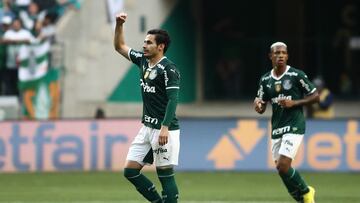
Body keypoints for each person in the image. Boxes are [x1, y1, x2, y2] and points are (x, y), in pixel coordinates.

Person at [114, 12, 180, 203]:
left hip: (164, 129)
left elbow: (173, 100)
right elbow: (119, 46)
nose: (144, 45)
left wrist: (165, 127)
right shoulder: (143, 61)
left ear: (161, 46)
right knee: (130, 170)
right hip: (147, 128)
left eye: (149, 42)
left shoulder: (169, 69)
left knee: (165, 174)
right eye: (144, 42)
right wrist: (119, 25)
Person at [254, 42, 319, 203]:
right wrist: (258, 105)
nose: (280, 55)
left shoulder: (296, 75)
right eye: (277, 53)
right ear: (270, 56)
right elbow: (261, 105)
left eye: (283, 53)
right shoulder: (265, 79)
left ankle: (306, 192)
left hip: (295, 125)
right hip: (277, 127)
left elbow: (315, 96)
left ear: (287, 56)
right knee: (281, 170)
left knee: (283, 165)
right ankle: (301, 199)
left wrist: (294, 103)